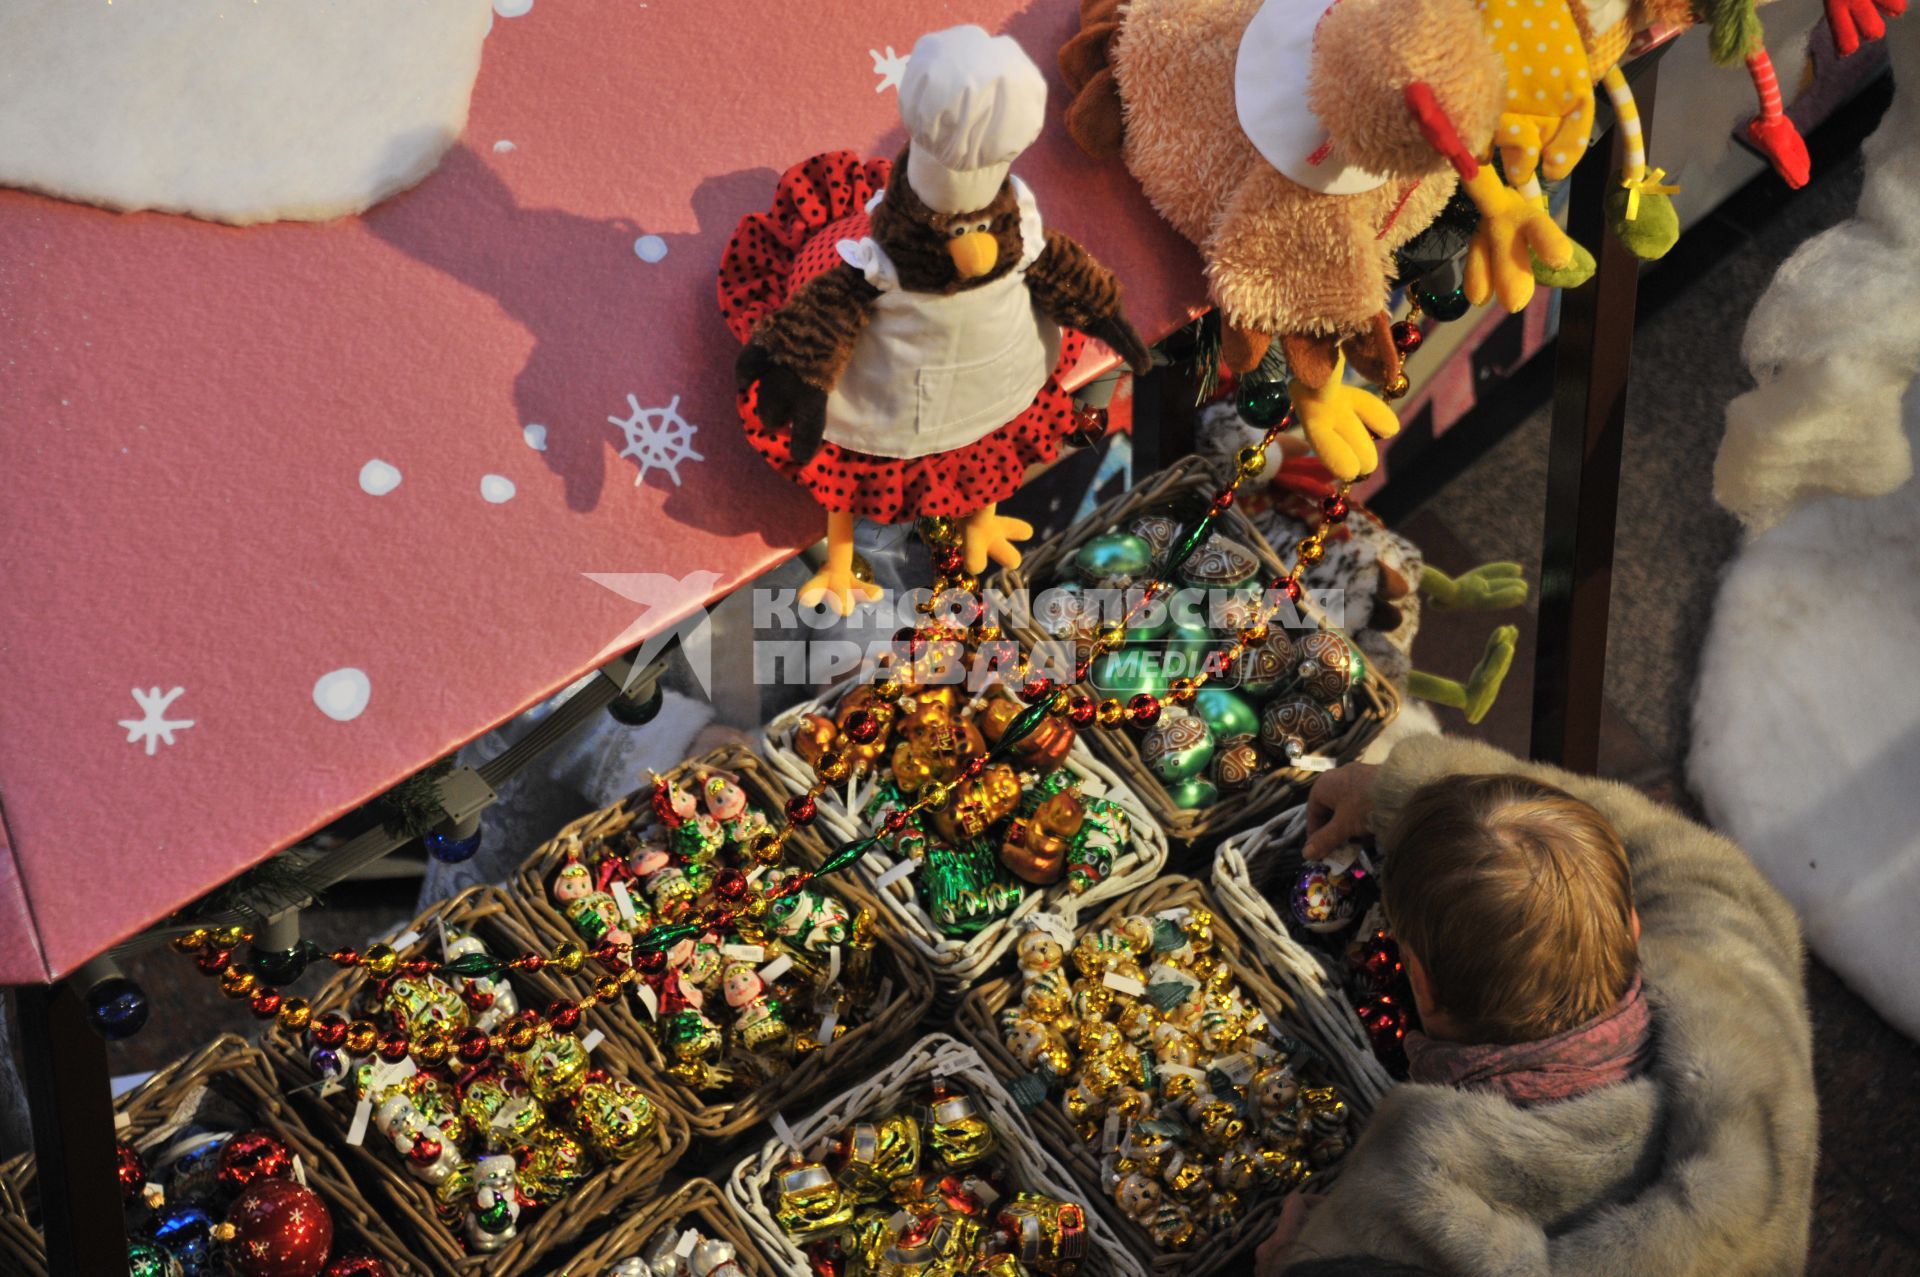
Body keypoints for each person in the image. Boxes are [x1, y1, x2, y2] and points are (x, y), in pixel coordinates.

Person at [1259, 735, 1816, 1276]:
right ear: (1631, 927)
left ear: (1420, 984)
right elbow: (1703, 870)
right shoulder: (1743, 1007)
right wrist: (1406, 789)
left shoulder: (1406, 1203)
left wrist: (1291, 1263)